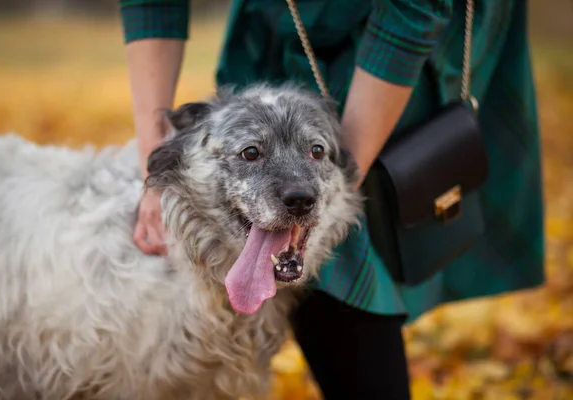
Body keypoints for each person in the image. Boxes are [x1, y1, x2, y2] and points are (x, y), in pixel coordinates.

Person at [118, 0, 545, 398]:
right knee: (306, 236)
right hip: (284, 26)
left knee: (344, 240)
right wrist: (155, 170)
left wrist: (342, 175)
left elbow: (414, 8)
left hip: (408, 42)